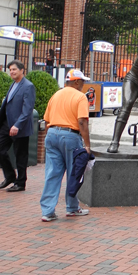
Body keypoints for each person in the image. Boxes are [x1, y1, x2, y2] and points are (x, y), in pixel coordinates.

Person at [40, 68, 92, 221]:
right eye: (82, 81)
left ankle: (47, 211)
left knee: (52, 174)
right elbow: (82, 121)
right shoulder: (80, 97)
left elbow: (47, 119)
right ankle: (72, 208)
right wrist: (87, 145)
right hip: (70, 136)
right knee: (73, 173)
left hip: (52, 134)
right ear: (76, 81)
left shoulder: (56, 95)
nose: (83, 84)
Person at [0, 60, 36, 193]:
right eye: (10, 70)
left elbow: (27, 109)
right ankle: (10, 176)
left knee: (20, 155)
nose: (12, 72)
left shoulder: (28, 86)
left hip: (19, 127)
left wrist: (17, 125)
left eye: (14, 69)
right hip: (6, 125)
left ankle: (20, 183)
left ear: (22, 70)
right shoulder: (13, 84)